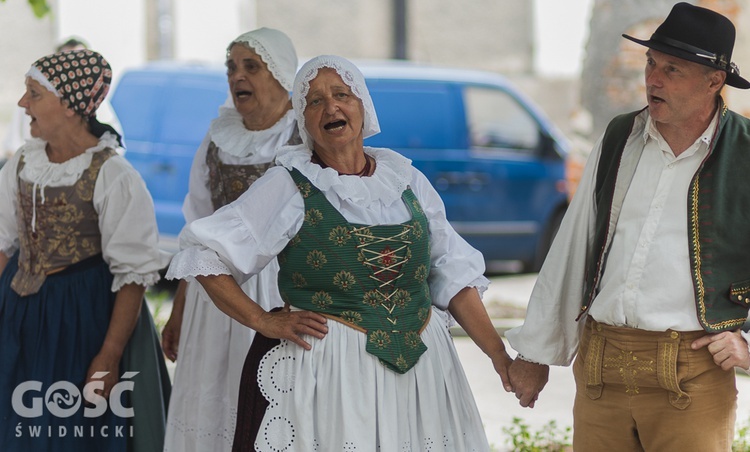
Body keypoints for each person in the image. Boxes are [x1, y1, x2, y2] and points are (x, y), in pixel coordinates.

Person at [165, 54, 513, 451]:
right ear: (304, 119)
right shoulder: (290, 185)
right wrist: (262, 320)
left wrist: (499, 356)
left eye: (341, 94)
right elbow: (205, 253)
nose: (330, 106)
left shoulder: (407, 180)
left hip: (423, 372)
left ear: (363, 105)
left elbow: (452, 275)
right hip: (331, 377)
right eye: (314, 101)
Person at [506, 1, 750, 451]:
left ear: (714, 81)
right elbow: (573, 246)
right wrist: (535, 353)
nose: (652, 79)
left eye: (672, 70)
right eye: (651, 63)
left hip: (692, 378)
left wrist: (749, 343)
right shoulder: (621, 137)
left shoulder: (745, 153)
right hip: (602, 369)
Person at [0, 49, 171, 451]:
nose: (24, 104)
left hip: (81, 319)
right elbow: (4, 243)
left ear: (71, 106)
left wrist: (109, 356)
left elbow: (133, 275)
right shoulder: (23, 162)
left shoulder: (113, 175)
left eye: (34, 94)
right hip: (19, 315)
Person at [160, 27, 300, 452]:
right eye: (231, 67)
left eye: (250, 67)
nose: (237, 76)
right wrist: (179, 309)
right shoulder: (218, 138)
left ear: (280, 74)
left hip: (279, 286)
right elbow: (197, 224)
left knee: (271, 399)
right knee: (211, 397)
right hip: (214, 289)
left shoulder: (303, 138)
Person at [2, 37, 123, 160]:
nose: (23, 102)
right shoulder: (30, 104)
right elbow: (11, 148)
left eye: (80, 62)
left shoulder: (108, 170)